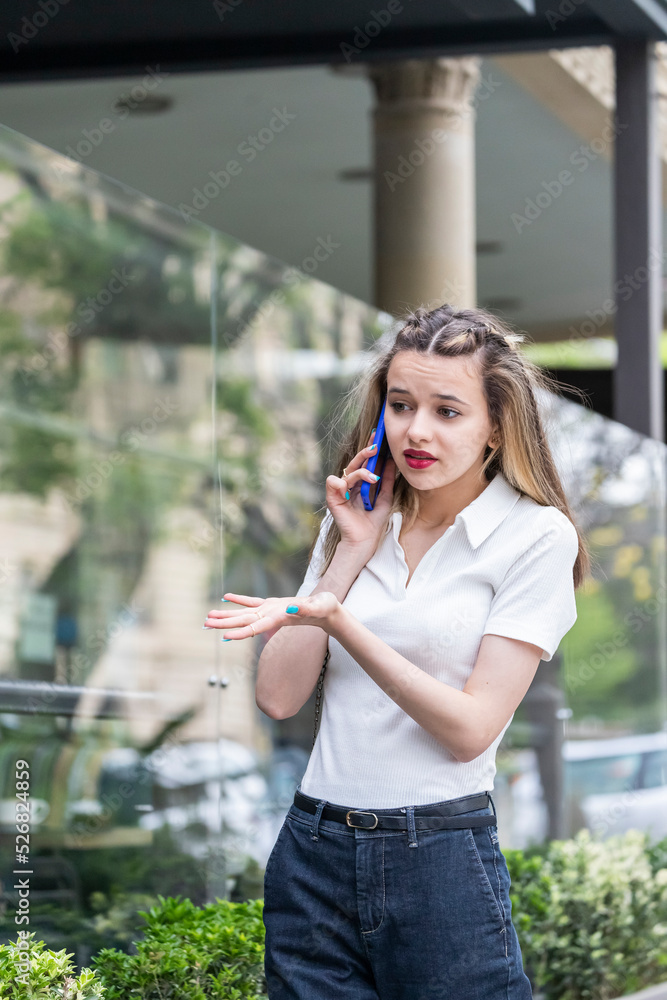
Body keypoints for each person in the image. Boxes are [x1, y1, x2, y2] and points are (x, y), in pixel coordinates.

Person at [204, 303, 591, 999]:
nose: (415, 431)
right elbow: (278, 697)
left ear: (495, 427)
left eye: (447, 411)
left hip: (437, 856)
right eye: (401, 404)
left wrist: (342, 624)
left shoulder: (535, 538)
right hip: (311, 847)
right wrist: (347, 554)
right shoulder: (355, 517)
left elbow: (471, 729)